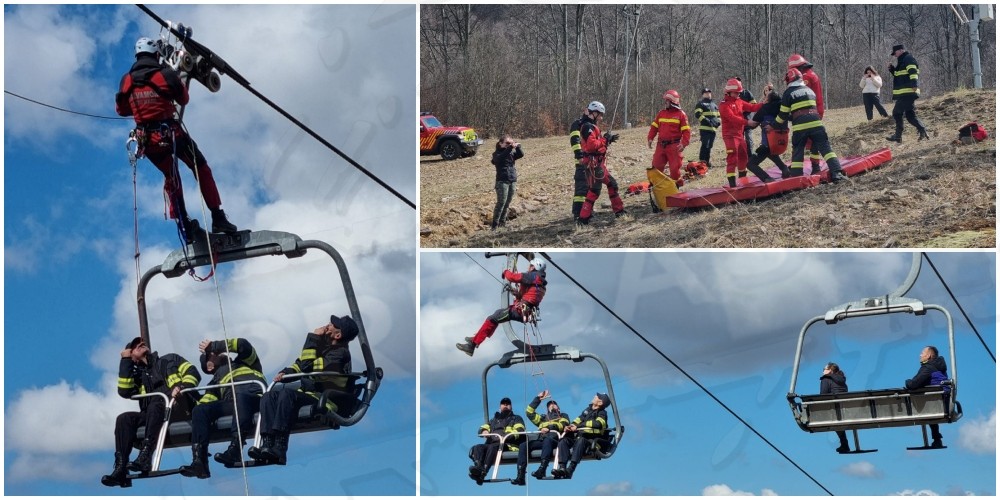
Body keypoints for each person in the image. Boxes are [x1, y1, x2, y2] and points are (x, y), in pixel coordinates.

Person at [115, 37, 237, 242]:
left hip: (149, 143)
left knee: (172, 179)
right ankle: (218, 217)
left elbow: (121, 110)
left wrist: (142, 105)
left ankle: (184, 226)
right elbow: (184, 99)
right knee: (201, 168)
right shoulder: (166, 74)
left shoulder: (126, 80)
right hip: (172, 136)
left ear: (137, 55)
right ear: (156, 54)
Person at [247, 315, 359, 465]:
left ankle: (280, 447)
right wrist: (285, 373)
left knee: (287, 394)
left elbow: (308, 367)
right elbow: (300, 365)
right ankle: (267, 444)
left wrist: (313, 337)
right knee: (269, 396)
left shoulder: (340, 353)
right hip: (311, 394)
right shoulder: (324, 348)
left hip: (326, 398)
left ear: (338, 335)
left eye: (332, 325)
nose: (327, 325)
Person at [101, 337, 201, 487]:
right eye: (135, 347)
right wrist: (125, 361)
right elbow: (124, 390)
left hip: (181, 407)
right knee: (124, 418)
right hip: (154, 416)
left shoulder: (170, 359)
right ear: (131, 356)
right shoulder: (138, 376)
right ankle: (121, 468)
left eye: (141, 343)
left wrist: (181, 387)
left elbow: (193, 373)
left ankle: (146, 455)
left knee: (156, 404)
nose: (141, 344)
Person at [178, 338, 266, 479]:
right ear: (209, 366)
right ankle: (199, 461)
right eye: (213, 353)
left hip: (256, 399)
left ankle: (236, 448)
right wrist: (182, 398)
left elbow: (243, 344)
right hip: (233, 403)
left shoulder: (245, 361)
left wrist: (215, 345)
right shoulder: (214, 385)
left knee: (240, 396)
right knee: (200, 410)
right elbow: (203, 406)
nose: (217, 352)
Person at [457, 259, 547, 356]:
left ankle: (472, 345)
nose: (528, 267)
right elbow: (527, 297)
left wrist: (505, 272)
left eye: (530, 265)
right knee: (496, 317)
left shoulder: (533, 276)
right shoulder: (539, 283)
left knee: (493, 318)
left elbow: (512, 277)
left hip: (521, 311)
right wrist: (515, 293)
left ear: (534, 267)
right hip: (524, 312)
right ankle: (476, 339)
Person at [773, 68, 848, 183]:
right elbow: (807, 110)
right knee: (826, 149)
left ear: (789, 79)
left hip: (800, 127)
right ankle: (837, 172)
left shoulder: (788, 93)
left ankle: (797, 178)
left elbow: (783, 115)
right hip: (816, 124)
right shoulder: (809, 90)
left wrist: (774, 125)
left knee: (798, 151)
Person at [568, 101, 626, 225]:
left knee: (608, 186)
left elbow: (597, 145)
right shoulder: (586, 126)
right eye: (600, 115)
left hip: (595, 164)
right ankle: (582, 218)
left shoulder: (589, 126)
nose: (601, 118)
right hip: (591, 164)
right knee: (591, 191)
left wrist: (607, 141)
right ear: (593, 113)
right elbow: (591, 145)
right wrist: (605, 139)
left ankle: (617, 212)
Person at [511, 389, 569, 485]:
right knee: (523, 445)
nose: (552, 405)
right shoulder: (542, 419)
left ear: (558, 408)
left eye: (554, 404)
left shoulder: (563, 416)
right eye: (549, 405)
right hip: (543, 441)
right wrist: (538, 399)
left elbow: (563, 425)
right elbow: (529, 412)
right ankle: (520, 475)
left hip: (555, 441)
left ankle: (542, 469)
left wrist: (549, 428)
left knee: (547, 440)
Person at [468, 396, 527, 486]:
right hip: (494, 443)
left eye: (508, 404)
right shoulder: (494, 420)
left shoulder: (516, 418)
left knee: (492, 447)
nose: (505, 405)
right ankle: (478, 468)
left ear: (511, 407)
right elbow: (483, 427)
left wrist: (506, 437)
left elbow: (520, 430)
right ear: (500, 407)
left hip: (508, 444)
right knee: (478, 447)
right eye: (503, 404)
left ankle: (483, 472)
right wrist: (484, 431)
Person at [552, 393, 610, 480]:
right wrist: (570, 426)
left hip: (591, 440)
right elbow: (578, 420)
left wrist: (579, 426)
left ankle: (570, 469)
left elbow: (598, 424)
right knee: (563, 441)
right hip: (579, 438)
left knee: (581, 440)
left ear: (600, 402)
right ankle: (562, 468)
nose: (594, 396)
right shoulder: (587, 410)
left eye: (597, 397)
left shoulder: (602, 413)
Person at [719, 78, 764, 188]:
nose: (738, 94)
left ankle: (742, 181)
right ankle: (733, 185)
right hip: (730, 136)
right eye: (736, 92)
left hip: (739, 135)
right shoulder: (723, 105)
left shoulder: (739, 101)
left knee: (744, 156)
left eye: (739, 92)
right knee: (732, 158)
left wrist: (764, 103)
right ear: (729, 92)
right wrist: (747, 122)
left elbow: (752, 107)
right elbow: (732, 118)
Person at [904, 345, 950, 448]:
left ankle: (937, 439)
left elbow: (913, 384)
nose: (920, 355)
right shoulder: (940, 368)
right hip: (944, 402)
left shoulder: (928, 368)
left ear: (928, 355)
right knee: (931, 406)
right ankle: (937, 439)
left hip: (936, 403)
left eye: (922, 353)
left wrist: (907, 381)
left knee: (927, 405)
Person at [744, 85, 792, 183]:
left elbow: (754, 124)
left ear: (769, 99)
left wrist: (744, 125)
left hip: (768, 143)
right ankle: (784, 168)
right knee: (770, 153)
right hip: (782, 143)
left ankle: (767, 178)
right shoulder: (784, 108)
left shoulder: (766, 108)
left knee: (750, 164)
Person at [787, 54, 826, 173]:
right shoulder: (811, 74)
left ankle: (805, 167)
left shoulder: (805, 78)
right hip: (815, 110)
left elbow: (798, 94)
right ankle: (815, 166)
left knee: (801, 140)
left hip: (808, 112)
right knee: (813, 140)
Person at [647, 89, 691, 187]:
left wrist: (684, 143)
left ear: (672, 102)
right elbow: (654, 127)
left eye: (667, 100)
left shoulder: (681, 115)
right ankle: (658, 188)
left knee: (675, 170)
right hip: (661, 145)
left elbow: (686, 131)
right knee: (656, 167)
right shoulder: (661, 113)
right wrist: (650, 138)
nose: (665, 102)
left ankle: (676, 188)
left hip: (674, 146)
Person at [886, 44, 929, 143]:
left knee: (896, 112)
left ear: (901, 50)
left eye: (895, 53)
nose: (895, 55)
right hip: (906, 92)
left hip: (908, 91)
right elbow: (898, 75)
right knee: (910, 115)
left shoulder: (908, 58)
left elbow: (913, 71)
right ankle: (922, 130)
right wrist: (892, 69)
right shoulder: (902, 60)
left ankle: (898, 136)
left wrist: (914, 84)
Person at [490, 136, 523, 231]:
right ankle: (494, 225)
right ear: (500, 143)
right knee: (501, 202)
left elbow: (521, 155)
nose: (509, 145)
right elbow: (500, 158)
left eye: (510, 143)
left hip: (512, 179)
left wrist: (517, 147)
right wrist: (510, 147)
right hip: (502, 181)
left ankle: (502, 222)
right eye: (507, 143)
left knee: (507, 203)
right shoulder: (496, 154)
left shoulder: (510, 153)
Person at [819, 362, 851, 454]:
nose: (823, 371)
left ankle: (845, 444)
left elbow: (823, 395)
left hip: (833, 409)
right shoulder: (842, 380)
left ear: (830, 370)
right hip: (845, 410)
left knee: (834, 421)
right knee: (837, 422)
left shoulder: (826, 379)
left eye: (824, 369)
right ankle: (844, 444)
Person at [692, 88, 721, 170]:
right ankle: (701, 163)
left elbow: (718, 116)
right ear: (702, 94)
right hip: (704, 129)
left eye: (709, 92)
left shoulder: (714, 105)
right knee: (705, 145)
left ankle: (707, 162)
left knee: (709, 146)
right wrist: (707, 121)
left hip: (713, 129)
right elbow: (698, 114)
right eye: (706, 93)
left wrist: (718, 122)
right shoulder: (700, 104)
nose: (708, 94)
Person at [736, 77, 758, 162]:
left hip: (748, 119)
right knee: (739, 140)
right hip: (738, 121)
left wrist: (745, 109)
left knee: (749, 139)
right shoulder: (732, 94)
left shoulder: (747, 92)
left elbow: (754, 103)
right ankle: (741, 156)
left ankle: (750, 155)